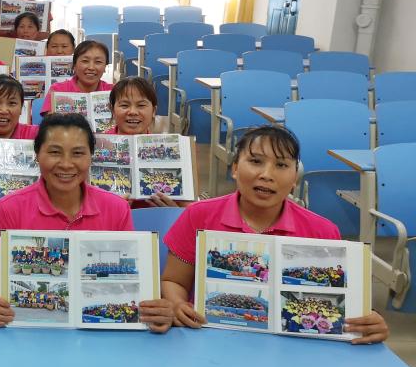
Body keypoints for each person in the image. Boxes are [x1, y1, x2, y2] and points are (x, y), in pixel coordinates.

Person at [161, 125, 389, 344]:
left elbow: (342, 302)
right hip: (208, 338)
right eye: (255, 161)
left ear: (295, 178)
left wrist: (368, 322)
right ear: (235, 168)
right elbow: (174, 280)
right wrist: (177, 304)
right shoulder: (198, 215)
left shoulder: (322, 232)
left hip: (294, 348)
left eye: (281, 165)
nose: (266, 174)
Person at [0, 113, 174, 332]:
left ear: (91, 157)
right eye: (54, 152)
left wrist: (154, 311)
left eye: (78, 153)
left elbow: (129, 285)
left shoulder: (117, 209)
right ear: (37, 154)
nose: (66, 164)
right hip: (32, 333)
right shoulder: (8, 209)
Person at [104, 76, 183, 209]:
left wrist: (174, 210)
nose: (133, 112)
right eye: (124, 105)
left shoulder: (168, 148)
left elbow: (187, 208)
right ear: (112, 109)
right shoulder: (97, 146)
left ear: (154, 111)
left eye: (141, 105)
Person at [42, 39, 113, 113]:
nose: (91, 67)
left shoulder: (113, 91)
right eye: (85, 61)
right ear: (74, 65)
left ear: (105, 67)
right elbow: (49, 118)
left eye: (98, 62)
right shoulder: (57, 89)